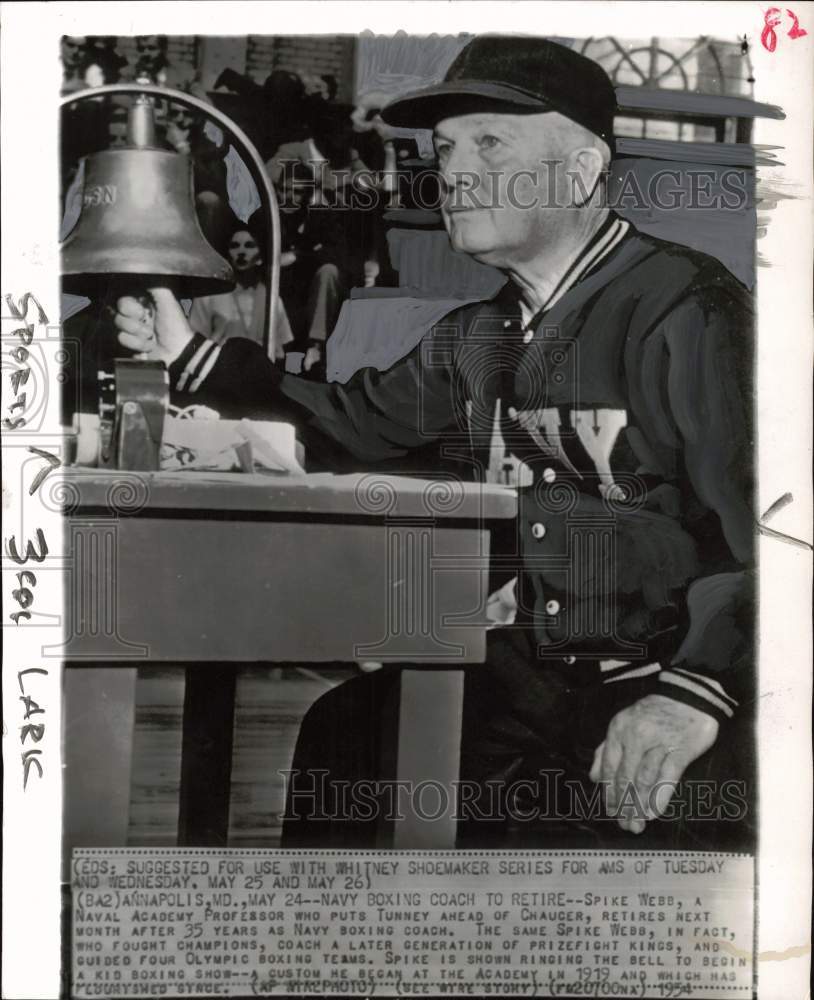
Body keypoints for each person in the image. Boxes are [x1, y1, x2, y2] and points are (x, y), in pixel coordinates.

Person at [114, 36, 755, 849]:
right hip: (535, 681)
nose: (453, 170)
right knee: (349, 733)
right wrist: (189, 355)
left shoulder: (691, 309)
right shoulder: (477, 335)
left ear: (583, 168)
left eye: (491, 144)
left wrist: (693, 693)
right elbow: (344, 427)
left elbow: (775, 538)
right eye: (447, 149)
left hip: (674, 684)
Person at [189, 222, 293, 361]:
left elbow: (280, 353)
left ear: (261, 257)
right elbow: (194, 348)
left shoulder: (272, 300)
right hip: (220, 374)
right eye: (234, 246)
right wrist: (219, 334)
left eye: (249, 246)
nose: (241, 251)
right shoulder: (208, 295)